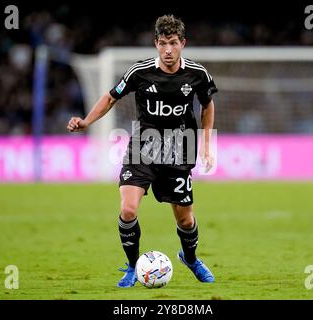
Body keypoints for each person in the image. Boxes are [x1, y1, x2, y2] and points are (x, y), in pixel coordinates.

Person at [67, 14, 217, 287]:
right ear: (155, 44)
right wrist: (86, 121)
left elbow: (207, 106)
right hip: (143, 146)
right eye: (162, 43)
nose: (167, 50)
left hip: (180, 149)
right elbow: (111, 97)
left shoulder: (197, 74)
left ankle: (191, 258)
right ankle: (133, 267)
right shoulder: (140, 72)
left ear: (182, 43)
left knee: (185, 219)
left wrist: (206, 143)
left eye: (173, 43)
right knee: (127, 209)